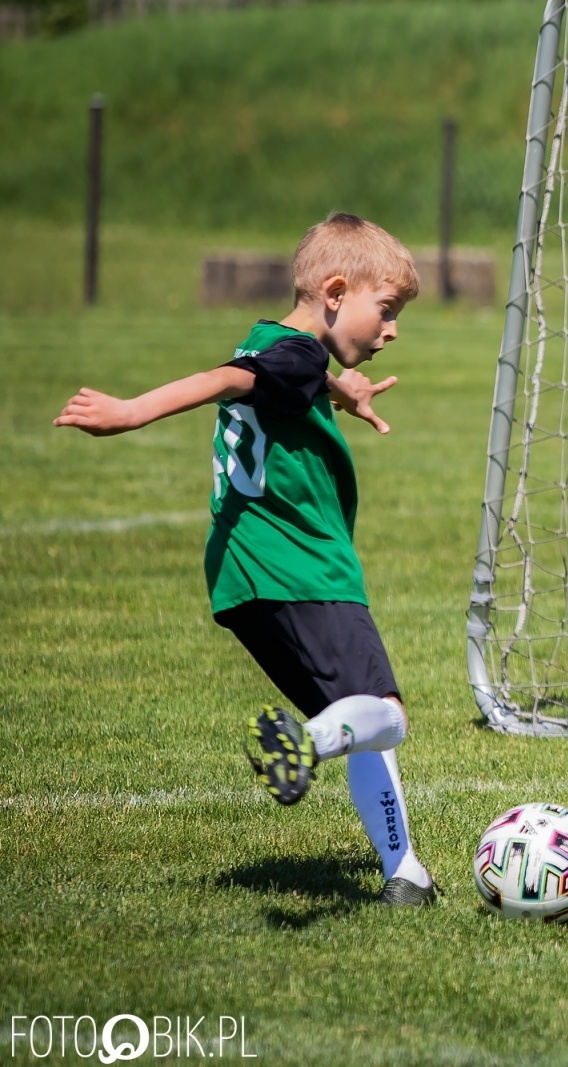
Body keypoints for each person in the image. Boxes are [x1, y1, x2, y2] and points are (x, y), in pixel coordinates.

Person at [54, 211, 437, 906]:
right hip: (300, 565)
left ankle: (405, 872)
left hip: (244, 577)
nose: (392, 331)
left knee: (357, 720)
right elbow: (225, 379)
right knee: (386, 714)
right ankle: (304, 746)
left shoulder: (284, 348)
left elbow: (276, 375)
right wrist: (132, 410)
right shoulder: (292, 356)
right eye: (385, 311)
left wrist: (338, 387)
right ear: (335, 292)